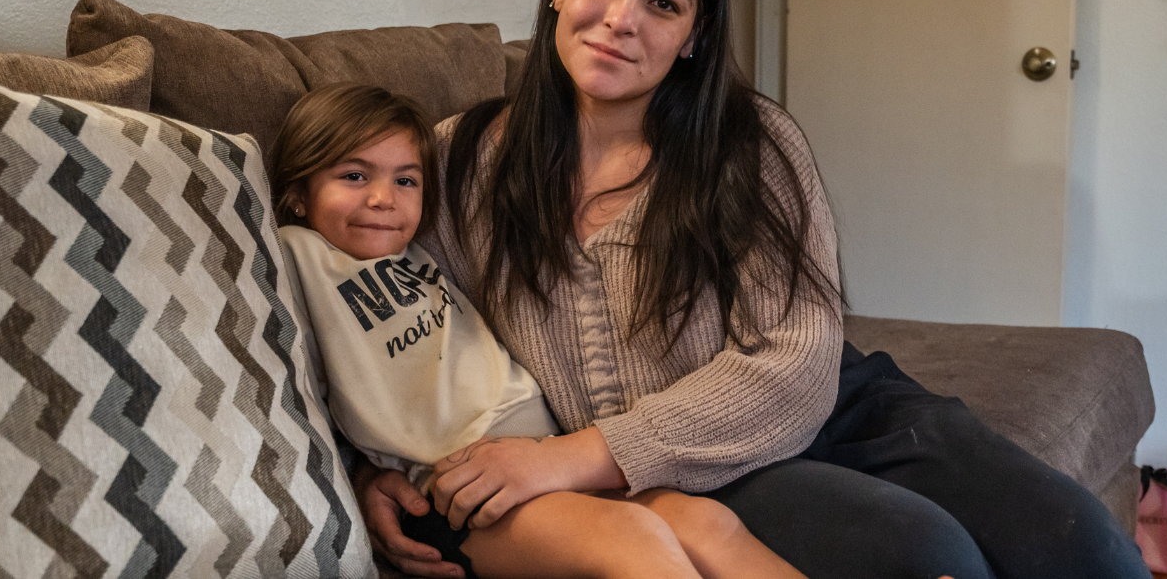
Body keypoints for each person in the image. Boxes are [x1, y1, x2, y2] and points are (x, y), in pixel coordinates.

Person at [359, 0, 1153, 579]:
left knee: (1084, 546)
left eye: (663, 3)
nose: (621, 21)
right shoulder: (455, 162)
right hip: (696, 469)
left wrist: (569, 457)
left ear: (695, 32)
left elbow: (800, 360)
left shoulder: (750, 142)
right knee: (925, 557)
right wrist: (371, 468)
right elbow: (387, 328)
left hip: (836, 407)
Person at [273, 83, 805, 579]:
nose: (384, 199)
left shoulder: (420, 250)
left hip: (548, 452)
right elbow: (304, 389)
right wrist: (361, 475)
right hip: (454, 487)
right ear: (298, 192)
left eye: (405, 180)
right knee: (631, 537)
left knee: (706, 523)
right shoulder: (297, 256)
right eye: (354, 176)